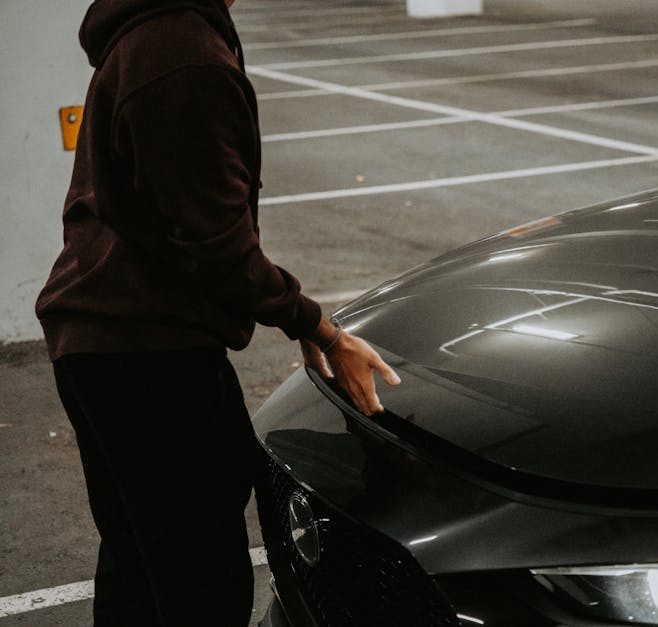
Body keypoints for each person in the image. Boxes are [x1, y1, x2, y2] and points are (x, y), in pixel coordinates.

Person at [34, 0, 399, 625]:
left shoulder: (154, 33)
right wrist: (318, 327)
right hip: (148, 353)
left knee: (140, 571)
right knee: (200, 584)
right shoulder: (183, 55)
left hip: (104, 342)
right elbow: (216, 245)